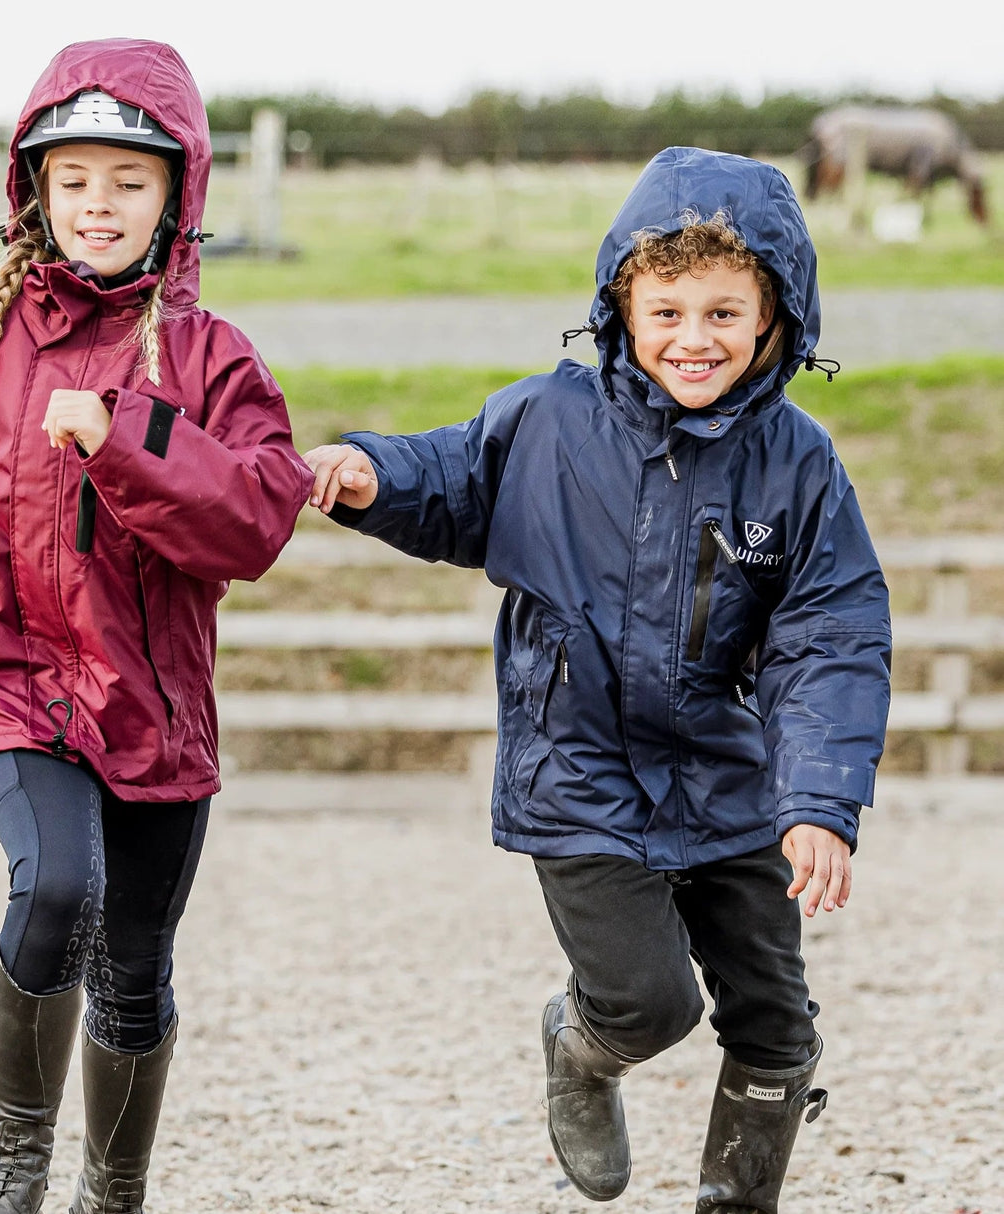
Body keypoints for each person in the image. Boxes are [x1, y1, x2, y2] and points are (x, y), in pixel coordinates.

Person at [303, 146, 892, 1210]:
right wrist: (367, 473)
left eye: (723, 311)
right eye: (664, 310)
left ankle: (733, 1197)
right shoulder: (546, 420)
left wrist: (816, 799)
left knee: (775, 1017)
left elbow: (830, 635)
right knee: (646, 1002)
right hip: (575, 768)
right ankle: (579, 1047)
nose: (692, 337)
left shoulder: (798, 463)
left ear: (772, 316)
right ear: (622, 306)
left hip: (729, 774)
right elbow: (444, 481)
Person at [0, 39, 312, 1214]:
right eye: (73, 181)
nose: (97, 205)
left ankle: (114, 1190)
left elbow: (255, 519)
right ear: (32, 191)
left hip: (153, 705)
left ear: (176, 197)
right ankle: (14, 1167)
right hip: (9, 678)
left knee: (137, 966)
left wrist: (123, 439)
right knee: (55, 886)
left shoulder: (213, 360)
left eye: (127, 181)